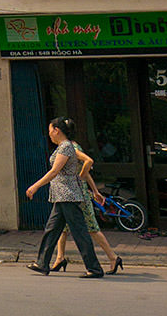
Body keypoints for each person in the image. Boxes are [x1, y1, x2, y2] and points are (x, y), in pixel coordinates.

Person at [25, 116, 105, 278]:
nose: (49, 135)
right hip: (61, 196)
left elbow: (54, 171)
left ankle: (94, 268)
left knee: (79, 233)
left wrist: (35, 186)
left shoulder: (66, 147)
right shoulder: (63, 147)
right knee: (52, 230)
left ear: (57, 130)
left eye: (50, 131)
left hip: (68, 196)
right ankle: (42, 263)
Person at [51, 137, 123, 275]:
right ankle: (60, 258)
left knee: (91, 227)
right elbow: (85, 169)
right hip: (69, 194)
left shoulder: (71, 148)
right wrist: (95, 190)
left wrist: (81, 178)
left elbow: (87, 163)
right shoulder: (68, 147)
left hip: (78, 194)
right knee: (63, 228)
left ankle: (113, 257)